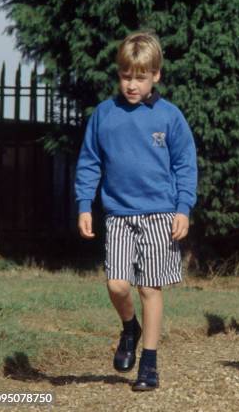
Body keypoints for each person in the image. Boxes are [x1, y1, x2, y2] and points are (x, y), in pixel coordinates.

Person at [75, 32, 197, 391]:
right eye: (126, 76)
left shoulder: (170, 117)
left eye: (140, 77)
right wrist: (85, 204)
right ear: (119, 74)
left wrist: (183, 208)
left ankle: (149, 362)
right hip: (118, 215)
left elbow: (185, 165)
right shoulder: (105, 114)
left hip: (160, 213)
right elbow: (89, 162)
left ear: (155, 75)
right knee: (116, 285)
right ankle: (130, 327)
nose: (132, 84)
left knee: (150, 288)